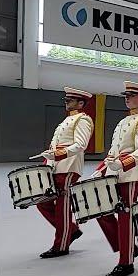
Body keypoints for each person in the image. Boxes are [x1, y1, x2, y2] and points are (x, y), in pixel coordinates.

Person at [92, 81, 138, 276]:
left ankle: (125, 262)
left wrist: (123, 164)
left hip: (130, 174)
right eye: (126, 95)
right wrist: (101, 169)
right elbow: (113, 151)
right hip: (114, 172)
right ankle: (127, 247)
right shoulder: (122, 122)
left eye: (131, 95)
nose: (126, 98)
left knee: (126, 216)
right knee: (102, 210)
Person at [35, 87, 94, 258]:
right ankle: (71, 230)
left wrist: (58, 154)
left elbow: (81, 144)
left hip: (68, 167)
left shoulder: (83, 120)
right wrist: (48, 162)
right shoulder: (67, 120)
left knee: (62, 208)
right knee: (42, 203)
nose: (67, 102)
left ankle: (61, 245)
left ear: (81, 103)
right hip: (56, 167)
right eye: (66, 99)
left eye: (71, 100)